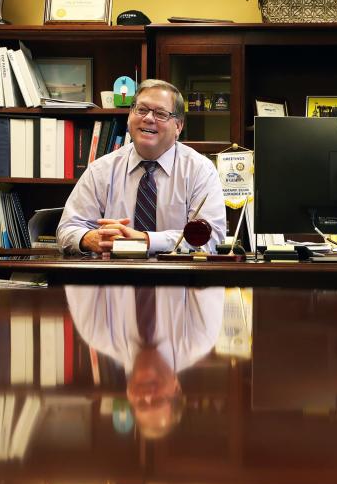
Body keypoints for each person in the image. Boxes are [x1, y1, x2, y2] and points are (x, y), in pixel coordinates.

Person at [57, 79, 226, 255]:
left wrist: (146, 240)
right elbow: (66, 230)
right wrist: (90, 238)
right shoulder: (101, 170)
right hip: (111, 277)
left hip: (178, 279)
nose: (148, 118)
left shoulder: (200, 170)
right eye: (142, 110)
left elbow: (212, 239)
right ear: (130, 116)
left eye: (160, 114)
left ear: (178, 126)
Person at [65, 285, 225, 438]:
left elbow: (74, 265)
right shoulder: (200, 337)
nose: (147, 396)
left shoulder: (95, 332)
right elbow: (207, 265)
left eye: (141, 404)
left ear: (129, 395)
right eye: (158, 400)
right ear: (176, 388)